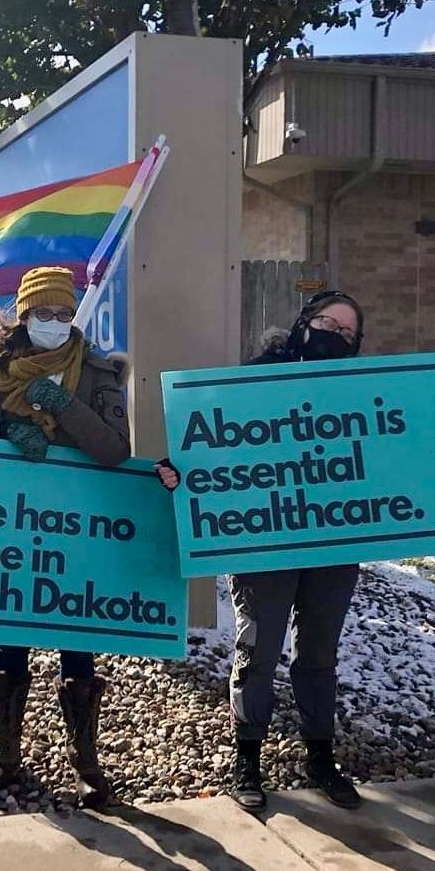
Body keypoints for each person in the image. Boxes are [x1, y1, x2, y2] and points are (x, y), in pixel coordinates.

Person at [156, 291, 367, 813]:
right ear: (302, 325)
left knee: (319, 651)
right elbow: (210, 437)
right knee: (259, 646)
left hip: (333, 543)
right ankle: (247, 756)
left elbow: (401, 447)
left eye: (346, 333)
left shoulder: (365, 392)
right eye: (325, 323)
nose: (333, 336)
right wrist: (179, 466)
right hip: (265, 541)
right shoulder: (257, 377)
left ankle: (320, 756)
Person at [0, 266, 131, 809]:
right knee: (12, 628)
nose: (56, 323)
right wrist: (7, 433)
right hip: (10, 522)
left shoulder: (98, 370)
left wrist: (65, 405)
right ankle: (4, 750)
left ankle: (86, 761)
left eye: (64, 313)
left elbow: (114, 449)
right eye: (44, 313)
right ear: (24, 315)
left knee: (74, 638)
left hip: (75, 525)